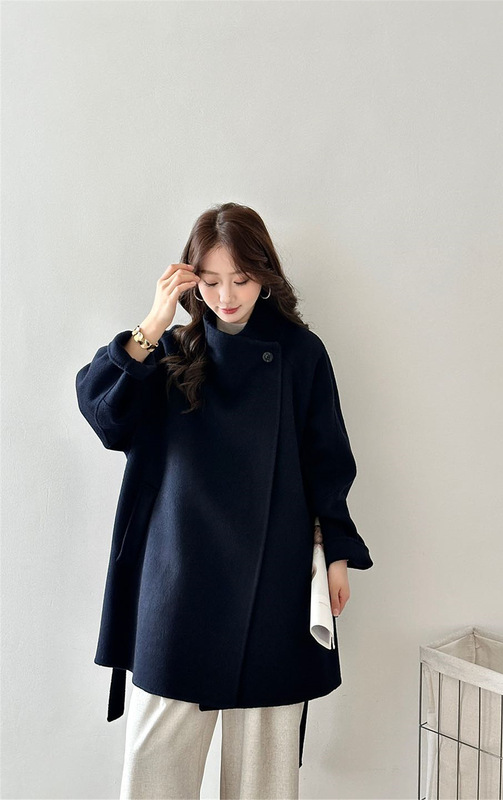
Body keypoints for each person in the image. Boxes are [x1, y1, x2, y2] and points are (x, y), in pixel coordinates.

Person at [75, 202, 374, 800]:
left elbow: (327, 460)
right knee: (153, 771)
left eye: (241, 279)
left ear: (265, 275)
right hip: (176, 580)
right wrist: (152, 323)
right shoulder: (168, 350)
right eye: (210, 282)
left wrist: (336, 554)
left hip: (273, 580)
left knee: (264, 778)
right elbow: (104, 417)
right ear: (189, 281)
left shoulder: (301, 353)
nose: (227, 296)